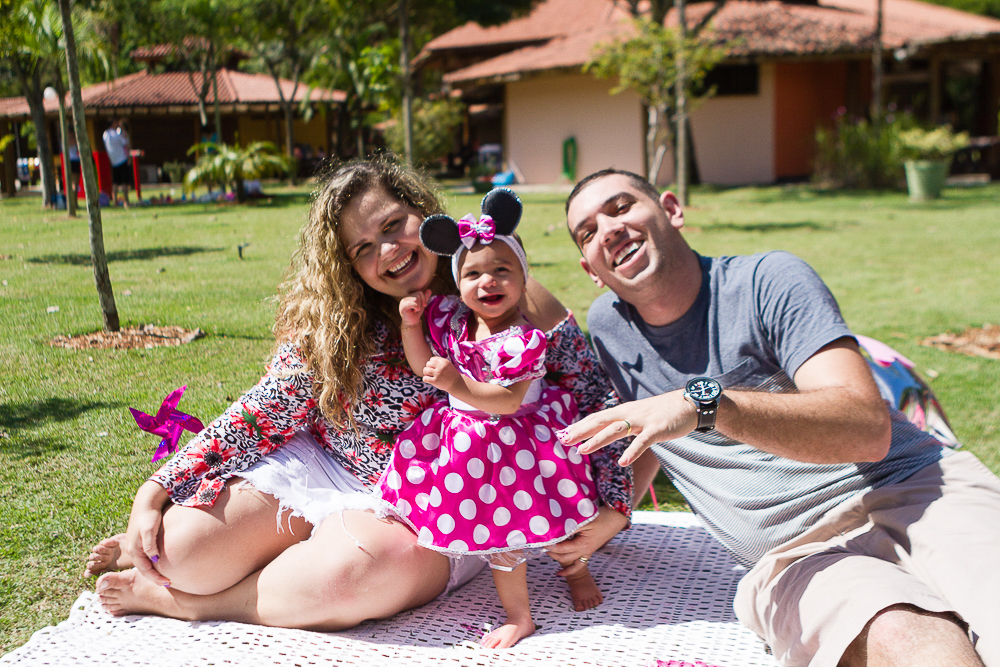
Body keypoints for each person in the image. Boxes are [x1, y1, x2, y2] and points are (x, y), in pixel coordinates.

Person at [89, 159, 632, 631]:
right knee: (185, 554)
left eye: (395, 225)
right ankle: (226, 561)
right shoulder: (337, 319)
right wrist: (157, 490)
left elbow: (591, 395)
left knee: (347, 578)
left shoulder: (501, 288)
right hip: (331, 466)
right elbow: (265, 409)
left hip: (454, 499)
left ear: (425, 214)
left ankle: (190, 605)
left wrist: (616, 507)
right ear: (347, 266)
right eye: (364, 247)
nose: (390, 251)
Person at [557, 168, 1000, 667]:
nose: (609, 230)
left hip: (915, 489)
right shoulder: (609, 328)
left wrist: (705, 404)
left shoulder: (767, 280)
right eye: (588, 232)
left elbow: (866, 429)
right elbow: (654, 435)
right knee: (909, 639)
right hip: (796, 555)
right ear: (590, 268)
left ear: (673, 209)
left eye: (620, 208)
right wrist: (615, 514)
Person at [374, 190, 602, 648]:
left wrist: (457, 384)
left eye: (502, 270)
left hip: (525, 443)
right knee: (502, 538)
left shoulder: (525, 339)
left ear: (523, 278)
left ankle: (576, 570)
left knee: (562, 520)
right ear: (457, 283)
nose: (488, 282)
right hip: (469, 447)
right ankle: (520, 615)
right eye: (473, 273)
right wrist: (411, 327)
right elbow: (424, 367)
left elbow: (508, 401)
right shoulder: (453, 321)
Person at [102, 118, 132, 207]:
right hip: (122, 160)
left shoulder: (105, 134)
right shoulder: (116, 134)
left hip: (113, 161)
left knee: (115, 182)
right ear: (112, 124)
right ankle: (126, 201)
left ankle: (115, 202)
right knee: (124, 182)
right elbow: (125, 144)